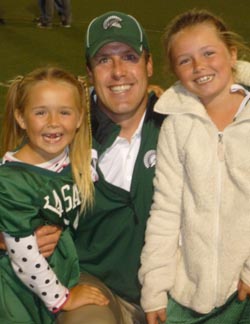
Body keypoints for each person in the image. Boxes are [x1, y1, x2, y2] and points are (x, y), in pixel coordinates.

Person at [138, 9, 250, 324]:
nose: (199, 66)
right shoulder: (176, 126)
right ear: (174, 69)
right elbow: (165, 211)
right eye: (185, 60)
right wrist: (155, 288)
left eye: (208, 53)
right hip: (189, 292)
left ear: (232, 54)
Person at [56, 11, 165, 324]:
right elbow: (15, 183)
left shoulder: (178, 121)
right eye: (104, 60)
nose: (118, 72)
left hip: (174, 286)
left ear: (149, 64)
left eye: (130, 56)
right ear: (90, 73)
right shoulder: (67, 129)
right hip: (99, 288)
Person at [0, 66, 108, 324]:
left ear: (80, 118)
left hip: (54, 283)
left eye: (64, 112)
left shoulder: (72, 160)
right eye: (40, 112)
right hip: (18, 296)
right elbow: (23, 256)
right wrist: (62, 298)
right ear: (21, 118)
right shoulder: (12, 181)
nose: (53, 122)